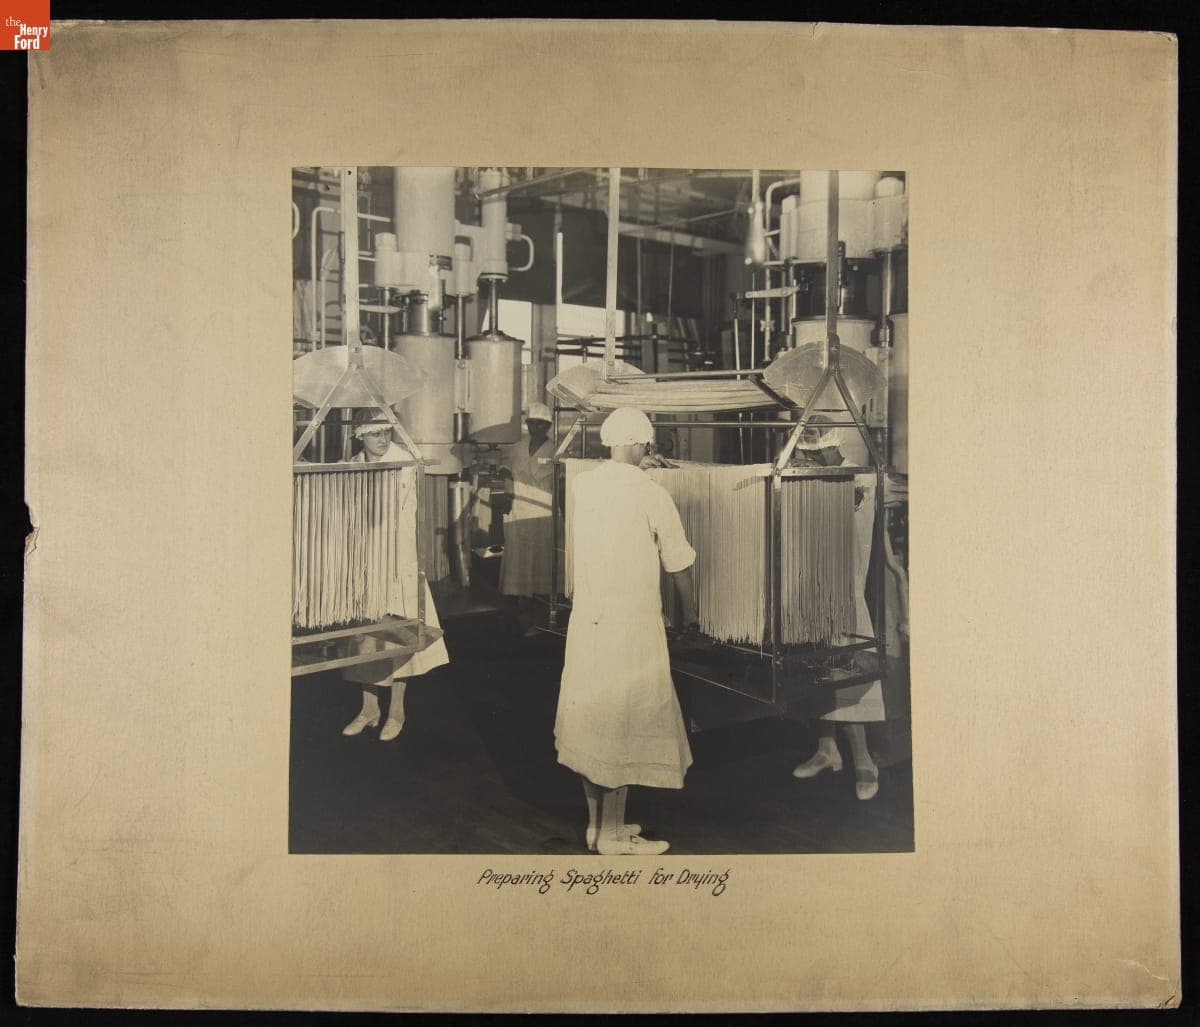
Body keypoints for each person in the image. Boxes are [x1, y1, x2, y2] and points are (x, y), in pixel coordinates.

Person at [554, 407, 700, 856]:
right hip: (631, 625)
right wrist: (690, 617)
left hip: (590, 620)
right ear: (641, 444)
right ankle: (615, 838)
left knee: (594, 721)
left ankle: (600, 827)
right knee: (624, 720)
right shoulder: (652, 493)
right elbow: (678, 563)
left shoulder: (583, 485)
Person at [340, 407, 450, 741]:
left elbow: (399, 516)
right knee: (365, 637)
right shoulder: (350, 467)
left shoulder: (405, 462)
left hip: (397, 562)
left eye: (387, 431)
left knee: (399, 635)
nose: (383, 438)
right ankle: (369, 709)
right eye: (375, 433)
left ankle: (396, 712)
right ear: (360, 434)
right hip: (363, 563)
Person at [789, 417, 885, 799]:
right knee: (817, 667)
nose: (810, 460)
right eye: (805, 455)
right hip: (814, 586)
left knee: (848, 672)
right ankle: (827, 749)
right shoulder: (820, 477)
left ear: (832, 447)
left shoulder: (859, 480)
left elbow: (847, 511)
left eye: (813, 453)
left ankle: (864, 759)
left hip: (845, 592)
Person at [498, 402, 557, 636]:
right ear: (527, 424)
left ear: (548, 426)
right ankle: (523, 616)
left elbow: (561, 481)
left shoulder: (556, 450)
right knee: (520, 563)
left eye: (541, 424)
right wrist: (506, 478)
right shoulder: (517, 447)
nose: (536, 427)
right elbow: (504, 465)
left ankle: (541, 620)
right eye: (532, 423)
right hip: (521, 507)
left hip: (544, 513)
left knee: (540, 565)